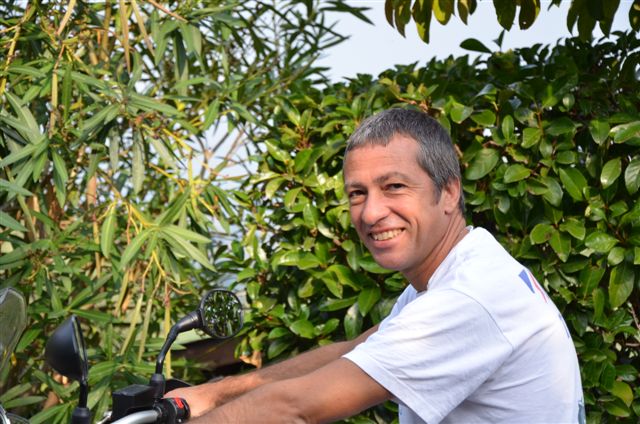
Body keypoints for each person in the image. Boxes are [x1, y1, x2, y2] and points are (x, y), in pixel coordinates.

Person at [166, 108, 584, 423]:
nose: (371, 213)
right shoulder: (459, 271)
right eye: (357, 193)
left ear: (449, 192)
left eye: (394, 187)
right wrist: (208, 395)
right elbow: (353, 351)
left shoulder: (467, 297)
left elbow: (297, 408)